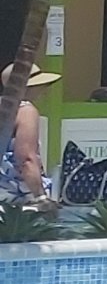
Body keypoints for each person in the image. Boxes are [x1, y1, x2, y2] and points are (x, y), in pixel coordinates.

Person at [2, 59, 61, 203]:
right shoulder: (24, 111)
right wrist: (40, 196)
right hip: (13, 197)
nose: (43, 91)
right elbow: (26, 159)